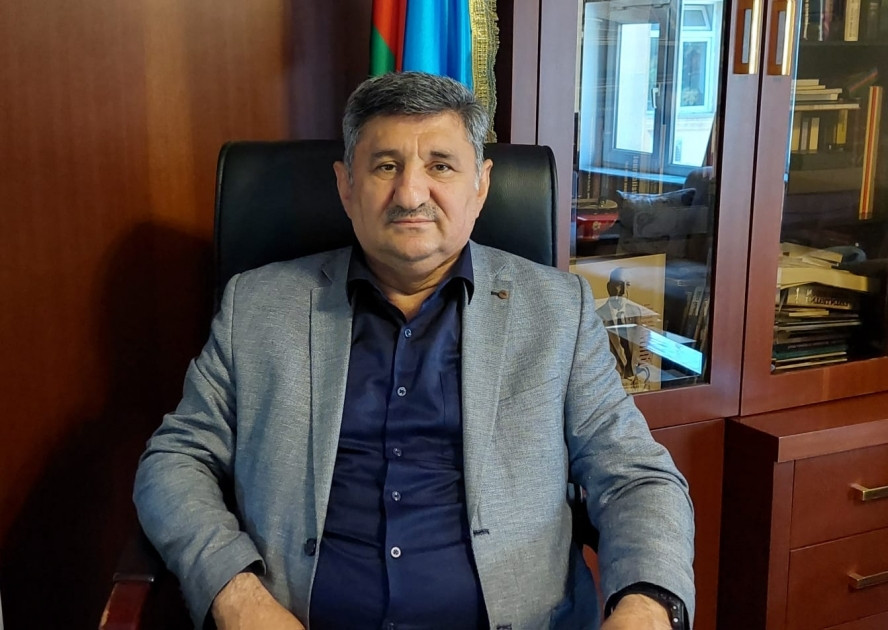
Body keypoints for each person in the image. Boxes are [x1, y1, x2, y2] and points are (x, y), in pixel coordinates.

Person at [134, 71, 694, 630]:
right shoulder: (258, 307)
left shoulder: (556, 311)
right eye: (385, 166)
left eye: (441, 166)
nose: (410, 194)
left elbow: (636, 477)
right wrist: (237, 596)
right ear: (346, 185)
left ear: (481, 185)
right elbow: (175, 460)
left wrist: (646, 606)